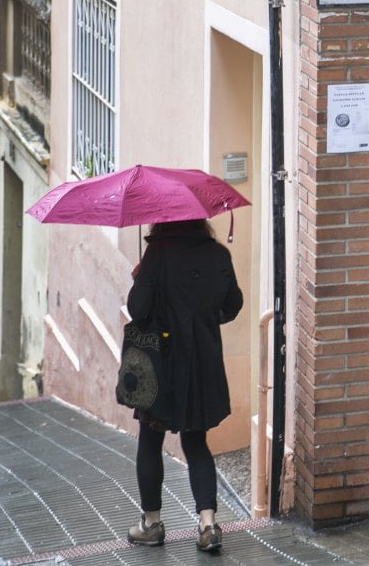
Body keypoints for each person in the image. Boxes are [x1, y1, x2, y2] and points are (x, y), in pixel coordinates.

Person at [124, 218, 243, 553]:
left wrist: (139, 279)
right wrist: (204, 319)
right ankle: (207, 524)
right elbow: (232, 305)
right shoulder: (218, 254)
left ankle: (151, 523)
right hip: (201, 364)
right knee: (196, 442)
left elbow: (137, 309)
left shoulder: (157, 254)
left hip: (160, 365)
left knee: (150, 440)